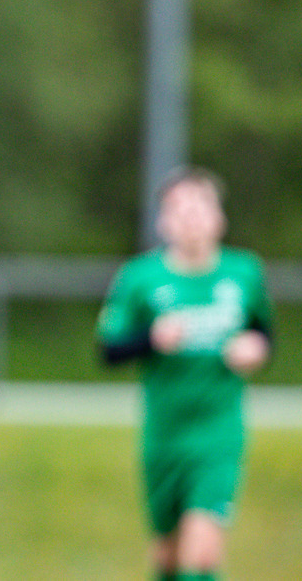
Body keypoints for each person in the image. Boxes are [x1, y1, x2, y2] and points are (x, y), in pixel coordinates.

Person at [96, 167, 273, 581]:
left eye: (201, 205)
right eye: (179, 208)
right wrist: (150, 338)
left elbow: (263, 332)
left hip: (218, 434)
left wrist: (256, 348)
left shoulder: (244, 272)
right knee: (169, 560)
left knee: (203, 557)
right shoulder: (140, 278)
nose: (191, 216)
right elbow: (109, 349)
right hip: (163, 436)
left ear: (219, 217)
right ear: (163, 221)